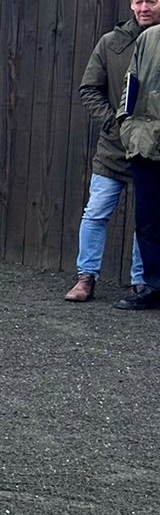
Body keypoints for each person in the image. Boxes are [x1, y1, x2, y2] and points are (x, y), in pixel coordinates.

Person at [64, 0, 160, 302]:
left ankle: (141, 281)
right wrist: (113, 124)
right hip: (114, 148)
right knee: (96, 212)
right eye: (139, 1)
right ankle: (85, 277)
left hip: (152, 150)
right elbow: (89, 88)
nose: (144, 7)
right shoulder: (111, 43)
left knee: (147, 218)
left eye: (152, 1)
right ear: (131, 3)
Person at [117, 19, 160, 311]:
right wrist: (126, 123)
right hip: (146, 144)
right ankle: (154, 286)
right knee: (148, 221)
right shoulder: (149, 38)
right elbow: (130, 83)